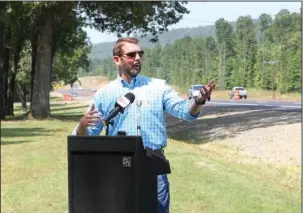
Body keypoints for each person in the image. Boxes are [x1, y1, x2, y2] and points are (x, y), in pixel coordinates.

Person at [72, 37, 216, 213]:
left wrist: (199, 101)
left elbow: (184, 111)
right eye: (131, 55)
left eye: (140, 54)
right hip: (118, 170)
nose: (137, 58)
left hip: (153, 167)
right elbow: (87, 137)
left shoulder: (158, 87)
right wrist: (82, 125)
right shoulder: (104, 94)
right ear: (117, 60)